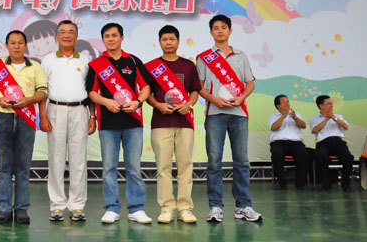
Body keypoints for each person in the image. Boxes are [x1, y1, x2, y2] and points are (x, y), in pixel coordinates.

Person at [196, 14, 262, 223]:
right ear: (211, 32)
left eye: (223, 27)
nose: (220, 30)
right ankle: (215, 206)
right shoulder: (204, 57)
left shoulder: (241, 55)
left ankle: (243, 206)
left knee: (242, 161)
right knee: (214, 161)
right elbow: (199, 87)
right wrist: (215, 99)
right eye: (216, 28)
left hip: (238, 114)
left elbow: (250, 83)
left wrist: (241, 98)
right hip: (214, 114)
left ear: (230, 31)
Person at [86, 23, 153, 224]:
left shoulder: (133, 61)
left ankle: (136, 208)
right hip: (107, 124)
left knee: (134, 168)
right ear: (103, 39)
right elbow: (91, 93)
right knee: (109, 168)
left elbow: (146, 87)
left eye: (114, 35)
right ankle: (112, 208)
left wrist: (138, 102)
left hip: (133, 123)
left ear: (122, 38)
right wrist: (106, 102)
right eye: (107, 36)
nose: (111, 39)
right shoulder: (96, 64)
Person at [0, 30, 47, 225]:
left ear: (25, 45)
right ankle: (4, 209)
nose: (17, 46)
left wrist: (29, 100)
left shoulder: (35, 66)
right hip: (3, 117)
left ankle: (21, 209)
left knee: (23, 166)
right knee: (3, 166)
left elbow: (43, 92)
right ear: (7, 45)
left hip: (26, 118)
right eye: (13, 43)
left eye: (20, 42)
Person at [41, 20, 96, 222]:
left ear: (76, 36)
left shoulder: (85, 60)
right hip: (55, 109)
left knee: (78, 160)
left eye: (71, 32)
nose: (67, 35)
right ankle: (57, 205)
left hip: (80, 110)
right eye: (62, 32)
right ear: (56, 36)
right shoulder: (48, 60)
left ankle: (77, 205)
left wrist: (92, 116)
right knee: (55, 159)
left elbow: (91, 91)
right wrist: (43, 115)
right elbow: (42, 90)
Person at [146, 25, 200, 224]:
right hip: (161, 122)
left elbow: (195, 91)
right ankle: (167, 207)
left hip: (185, 122)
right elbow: (147, 94)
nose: (168, 42)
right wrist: (158, 105)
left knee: (185, 165)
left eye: (172, 39)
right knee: (163, 167)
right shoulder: (151, 66)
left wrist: (189, 104)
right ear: (159, 42)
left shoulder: (188, 65)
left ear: (178, 41)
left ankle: (185, 208)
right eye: (164, 39)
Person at [310, 95, 354, 191]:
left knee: (349, 157)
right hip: (323, 142)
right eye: (329, 103)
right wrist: (326, 119)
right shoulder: (314, 118)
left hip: (338, 142)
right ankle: (326, 184)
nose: (331, 105)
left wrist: (334, 117)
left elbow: (346, 126)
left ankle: (345, 184)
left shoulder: (338, 116)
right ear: (321, 106)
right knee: (321, 156)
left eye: (332, 103)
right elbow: (315, 130)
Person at [269, 94, 309, 190]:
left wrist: (295, 117)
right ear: (278, 106)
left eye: (288, 102)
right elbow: (274, 127)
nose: (287, 104)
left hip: (296, 143)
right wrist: (283, 116)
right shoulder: (273, 116)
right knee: (277, 154)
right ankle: (281, 183)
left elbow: (303, 125)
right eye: (284, 102)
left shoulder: (296, 114)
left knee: (303, 153)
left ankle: (300, 183)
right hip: (278, 142)